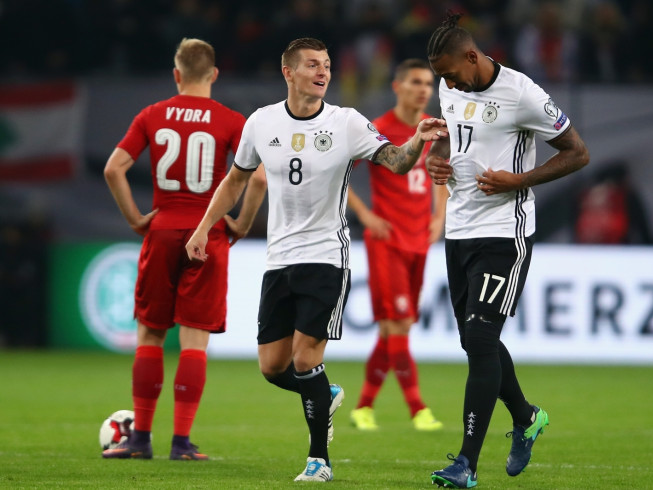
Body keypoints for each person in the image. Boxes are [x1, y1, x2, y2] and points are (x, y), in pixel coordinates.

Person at [184, 38, 447, 482]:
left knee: (305, 360)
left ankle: (319, 460)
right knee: (272, 367)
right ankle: (326, 393)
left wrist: (417, 141)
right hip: (278, 258)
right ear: (289, 72)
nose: (322, 71)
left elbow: (398, 163)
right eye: (312, 65)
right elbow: (234, 181)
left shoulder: (346, 123)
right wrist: (203, 227)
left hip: (327, 257)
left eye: (326, 65)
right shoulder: (261, 123)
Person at [424, 13, 590, 488]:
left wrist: (518, 180)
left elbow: (578, 153)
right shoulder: (450, 87)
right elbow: (462, 145)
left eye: (451, 72)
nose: (447, 81)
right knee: (477, 341)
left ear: (473, 56)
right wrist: (443, 164)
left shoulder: (523, 93)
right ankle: (526, 415)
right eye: (442, 75)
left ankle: (466, 465)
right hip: (460, 229)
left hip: (504, 232)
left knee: (478, 340)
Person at [102, 38, 267, 461]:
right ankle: (181, 443)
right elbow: (261, 179)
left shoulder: (152, 115)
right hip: (206, 235)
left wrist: (136, 218)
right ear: (213, 74)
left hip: (161, 230)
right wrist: (241, 223)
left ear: (177, 75)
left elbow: (113, 169)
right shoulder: (232, 120)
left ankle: (139, 440)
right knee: (194, 342)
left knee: (151, 336)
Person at [347, 58, 448, 432]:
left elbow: (441, 174)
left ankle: (363, 407)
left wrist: (440, 216)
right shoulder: (381, 130)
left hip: (419, 240)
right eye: (417, 82)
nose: (424, 89)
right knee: (399, 324)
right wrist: (366, 215)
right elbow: (338, 176)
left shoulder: (435, 130)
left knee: (393, 329)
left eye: (429, 83)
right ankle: (418, 408)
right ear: (398, 86)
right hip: (386, 241)